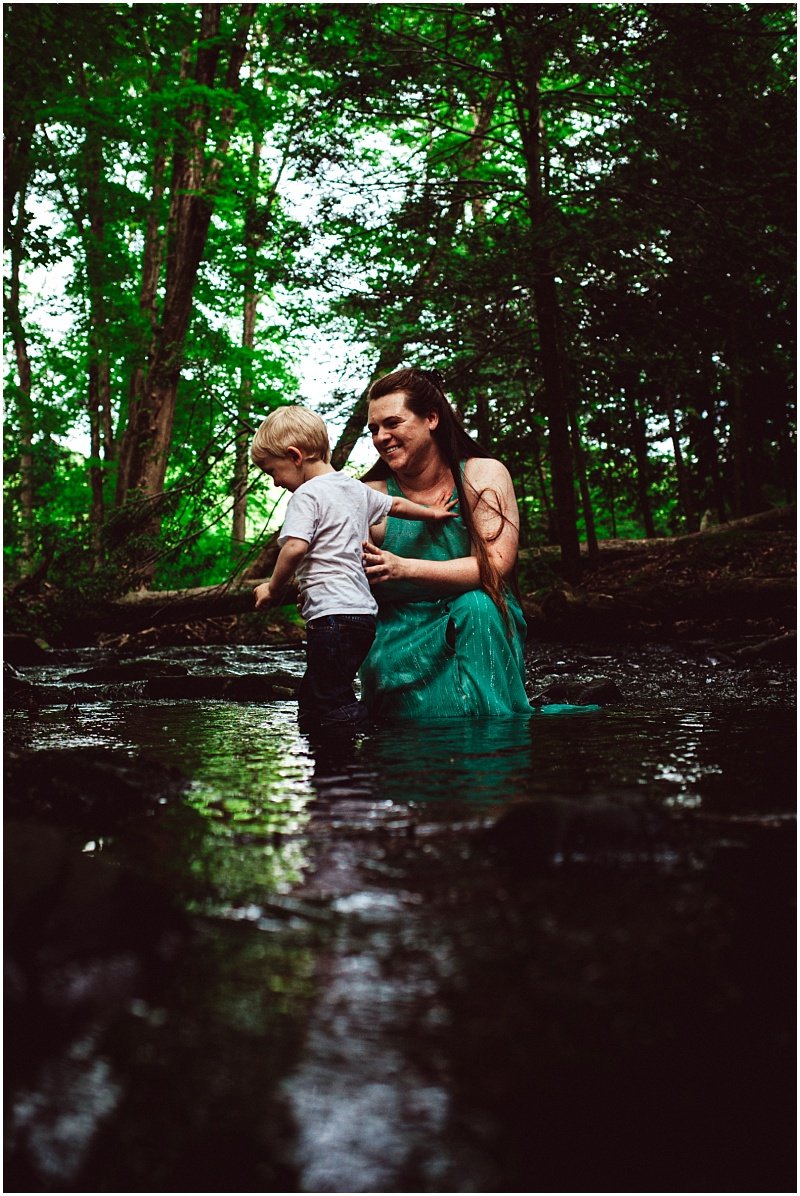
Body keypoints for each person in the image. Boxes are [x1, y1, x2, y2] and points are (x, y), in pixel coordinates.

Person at [251, 405, 457, 733]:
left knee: (328, 697)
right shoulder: (353, 488)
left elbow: (295, 547)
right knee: (322, 692)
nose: (275, 483)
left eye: (272, 471)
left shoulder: (306, 496)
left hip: (332, 618)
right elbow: (397, 505)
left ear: (294, 456)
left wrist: (273, 588)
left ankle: (366, 737)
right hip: (362, 617)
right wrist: (432, 512)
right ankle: (325, 745)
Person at [359, 366, 534, 720]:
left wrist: (403, 568)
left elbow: (495, 566)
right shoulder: (368, 496)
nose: (381, 437)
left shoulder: (483, 475)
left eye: (393, 423)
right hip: (397, 634)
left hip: (479, 625)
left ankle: (494, 746)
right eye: (374, 429)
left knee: (477, 604)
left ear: (432, 418)